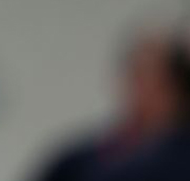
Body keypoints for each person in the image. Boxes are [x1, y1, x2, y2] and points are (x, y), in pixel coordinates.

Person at [31, 17, 190, 181]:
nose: (137, 86)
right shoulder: (80, 159)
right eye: (135, 72)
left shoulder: (178, 158)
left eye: (151, 76)